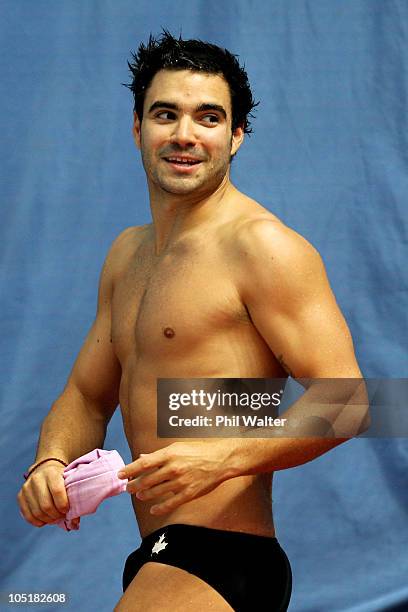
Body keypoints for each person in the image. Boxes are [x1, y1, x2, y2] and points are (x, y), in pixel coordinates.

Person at [17, 31, 368, 611]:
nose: (185, 135)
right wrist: (51, 460)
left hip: (222, 553)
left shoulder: (263, 247)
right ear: (137, 128)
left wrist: (225, 454)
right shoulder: (129, 254)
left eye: (208, 118)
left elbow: (352, 400)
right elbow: (86, 395)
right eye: (165, 114)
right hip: (155, 552)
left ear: (236, 136)